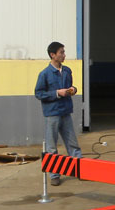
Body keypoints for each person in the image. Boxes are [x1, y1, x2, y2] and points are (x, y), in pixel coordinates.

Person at [35, 42, 82, 186]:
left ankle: (80, 170)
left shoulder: (67, 71)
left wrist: (73, 89)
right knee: (51, 146)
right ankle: (54, 175)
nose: (64, 55)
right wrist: (56, 93)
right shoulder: (44, 74)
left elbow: (70, 86)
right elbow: (39, 93)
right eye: (61, 52)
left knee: (73, 144)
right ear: (52, 55)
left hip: (65, 112)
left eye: (64, 52)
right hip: (52, 114)